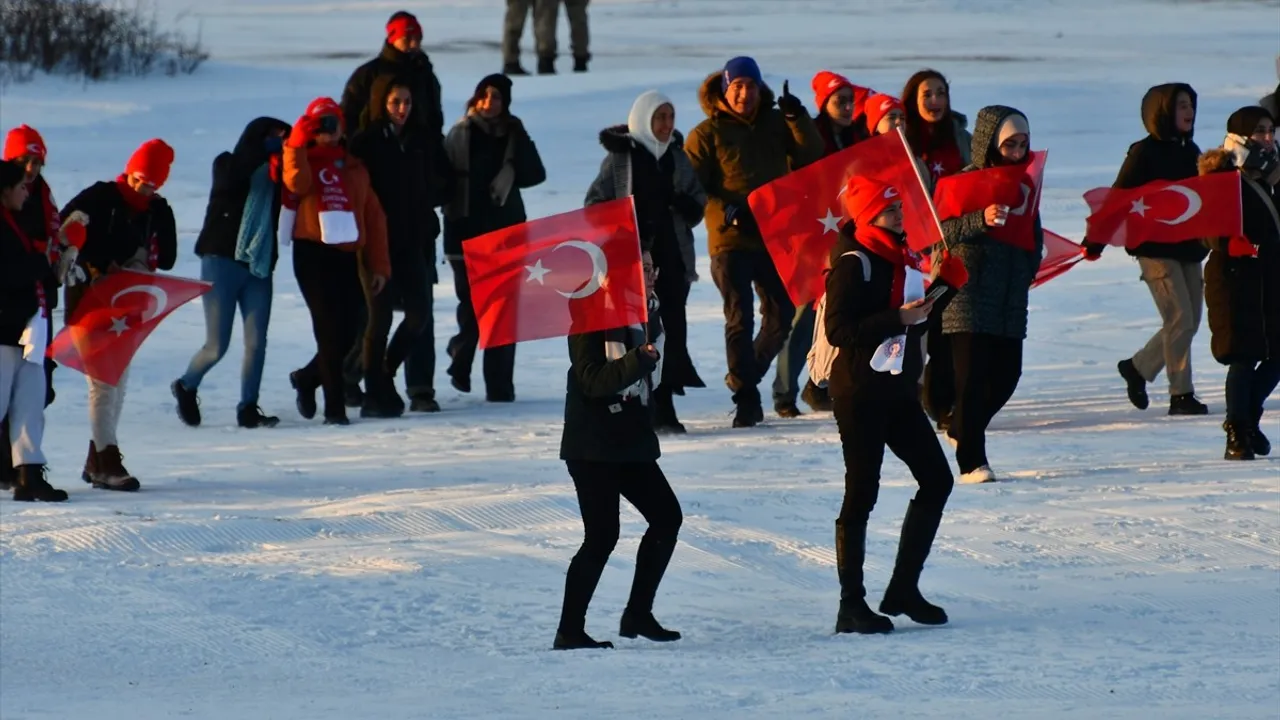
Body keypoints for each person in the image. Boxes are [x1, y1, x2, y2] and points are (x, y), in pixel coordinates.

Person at [824, 175, 956, 634]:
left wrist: (946, 287)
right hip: (860, 393)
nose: (901, 216)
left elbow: (916, 318)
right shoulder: (853, 262)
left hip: (898, 390)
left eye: (899, 208)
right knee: (862, 493)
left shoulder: (906, 258)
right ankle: (851, 606)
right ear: (868, 216)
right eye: (891, 210)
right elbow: (838, 332)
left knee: (937, 479)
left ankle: (903, 588)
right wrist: (894, 318)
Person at [684, 56, 824, 427]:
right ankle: (747, 399)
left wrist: (797, 118)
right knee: (740, 316)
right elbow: (693, 187)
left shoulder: (776, 124)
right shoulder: (706, 133)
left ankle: (744, 377)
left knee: (780, 315)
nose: (744, 94)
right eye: (737, 87)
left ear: (761, 89)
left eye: (750, 86)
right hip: (729, 239)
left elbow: (811, 156)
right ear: (725, 89)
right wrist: (725, 210)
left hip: (773, 235)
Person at [554, 252, 682, 650]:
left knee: (666, 518)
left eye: (650, 266)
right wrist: (638, 360)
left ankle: (638, 613)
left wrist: (643, 361)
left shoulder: (651, 312)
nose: (646, 273)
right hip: (592, 443)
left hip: (631, 438)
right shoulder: (593, 312)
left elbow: (653, 380)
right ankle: (569, 632)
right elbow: (592, 381)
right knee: (602, 535)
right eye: (637, 266)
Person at [586, 89, 706, 433]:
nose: (667, 125)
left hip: (673, 260)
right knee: (639, 333)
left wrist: (684, 204)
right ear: (643, 119)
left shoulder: (677, 157)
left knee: (672, 332)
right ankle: (641, 404)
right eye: (660, 118)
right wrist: (623, 222)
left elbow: (697, 201)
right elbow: (594, 204)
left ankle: (665, 404)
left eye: (670, 117)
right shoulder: (621, 159)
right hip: (631, 262)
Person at [62, 139, 179, 491]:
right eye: (140, 180)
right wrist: (96, 262)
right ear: (129, 172)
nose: (143, 189)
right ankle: (107, 460)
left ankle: (97, 457)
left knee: (119, 383)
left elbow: (169, 257)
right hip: (90, 301)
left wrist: (163, 217)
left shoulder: (154, 210)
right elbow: (67, 230)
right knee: (103, 383)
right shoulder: (100, 197)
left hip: (127, 306)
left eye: (152, 185)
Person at [1088, 84, 1209, 416]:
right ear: (1163, 112)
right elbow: (1117, 198)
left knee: (1191, 321)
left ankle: (1138, 368)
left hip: (1189, 248)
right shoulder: (1143, 152)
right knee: (1180, 318)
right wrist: (1097, 238)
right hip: (1155, 248)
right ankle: (1180, 394)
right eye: (1182, 106)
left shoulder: (1192, 150)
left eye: (1191, 106)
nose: (1189, 112)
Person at [938, 106, 1043, 484]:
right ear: (989, 142)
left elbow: (1034, 233)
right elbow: (941, 233)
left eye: (1023, 144)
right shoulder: (962, 183)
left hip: (1010, 295)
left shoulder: (1027, 184)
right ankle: (971, 460)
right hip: (968, 292)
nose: (1017, 151)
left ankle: (962, 428)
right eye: (1010, 144)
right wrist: (978, 220)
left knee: (1007, 376)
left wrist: (1030, 266)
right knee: (972, 379)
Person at [172, 117, 291, 430]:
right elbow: (233, 178)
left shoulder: (281, 175)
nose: (280, 142)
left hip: (258, 264)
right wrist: (262, 153)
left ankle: (248, 407)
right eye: (274, 136)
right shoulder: (227, 163)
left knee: (256, 342)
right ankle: (186, 384)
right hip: (220, 260)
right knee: (217, 345)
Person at [770, 72, 875, 419]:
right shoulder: (810, 136)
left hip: (854, 238)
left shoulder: (861, 136)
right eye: (838, 101)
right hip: (814, 239)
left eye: (850, 100)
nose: (846, 107)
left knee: (843, 314)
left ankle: (821, 385)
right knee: (804, 318)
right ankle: (784, 392)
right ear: (823, 104)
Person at [283, 98, 390, 426]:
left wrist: (380, 265)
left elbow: (374, 217)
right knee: (328, 330)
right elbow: (295, 183)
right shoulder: (305, 160)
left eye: (334, 123)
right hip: (312, 253)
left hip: (345, 255)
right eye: (322, 124)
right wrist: (296, 144)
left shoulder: (354, 167)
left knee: (354, 326)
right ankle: (335, 407)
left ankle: (307, 378)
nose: (329, 131)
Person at [442, 74, 546, 402]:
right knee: (473, 311)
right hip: (466, 232)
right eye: (484, 96)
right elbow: (446, 184)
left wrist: (519, 138)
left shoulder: (513, 134)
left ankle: (500, 388)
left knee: (503, 314)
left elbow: (535, 175)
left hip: (506, 232)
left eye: (497, 97)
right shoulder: (460, 133)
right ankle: (461, 355)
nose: (489, 103)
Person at [351, 75, 441, 415]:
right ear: (381, 104)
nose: (402, 109)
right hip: (376, 244)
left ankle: (384, 370)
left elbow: (436, 180)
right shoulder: (367, 141)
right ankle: (374, 390)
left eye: (407, 102)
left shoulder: (421, 139)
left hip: (413, 243)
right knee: (379, 320)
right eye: (395, 103)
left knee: (418, 315)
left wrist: (429, 217)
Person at [0, 125, 82, 491]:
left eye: (38, 162)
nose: (32, 170)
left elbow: (43, 253)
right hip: (6, 323)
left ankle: (28, 472)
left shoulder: (41, 198)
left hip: (35, 315)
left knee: (34, 397)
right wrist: (41, 261)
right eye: (25, 162)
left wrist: (62, 251)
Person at [1200, 107, 1280, 460]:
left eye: (1270, 130)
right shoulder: (1221, 174)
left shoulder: (1272, 173)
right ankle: (1236, 430)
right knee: (1244, 355)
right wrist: (1228, 243)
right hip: (1234, 279)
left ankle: (1249, 416)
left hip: (1270, 275)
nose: (1267, 137)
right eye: (1260, 131)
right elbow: (1206, 228)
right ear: (1242, 135)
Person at [902, 69, 972, 432]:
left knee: (947, 323)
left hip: (953, 243)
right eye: (927, 94)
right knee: (919, 321)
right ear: (914, 100)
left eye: (941, 93)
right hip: (915, 247)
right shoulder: (900, 141)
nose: (935, 101)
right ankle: (910, 390)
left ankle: (941, 399)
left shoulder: (961, 136)